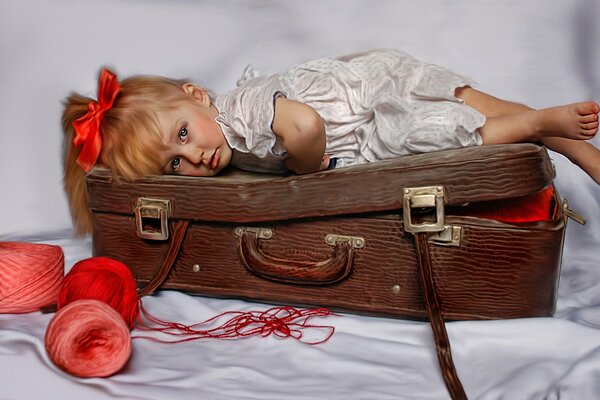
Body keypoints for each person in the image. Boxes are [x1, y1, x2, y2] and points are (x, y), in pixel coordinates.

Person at [63, 49, 600, 234]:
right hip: (374, 78)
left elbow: (305, 127)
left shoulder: (241, 114)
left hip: (366, 112)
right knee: (487, 104)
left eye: (183, 135)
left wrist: (305, 171)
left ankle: (535, 129)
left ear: (197, 95)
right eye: (175, 166)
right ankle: (568, 142)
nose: (195, 156)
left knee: (441, 137)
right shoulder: (221, 120)